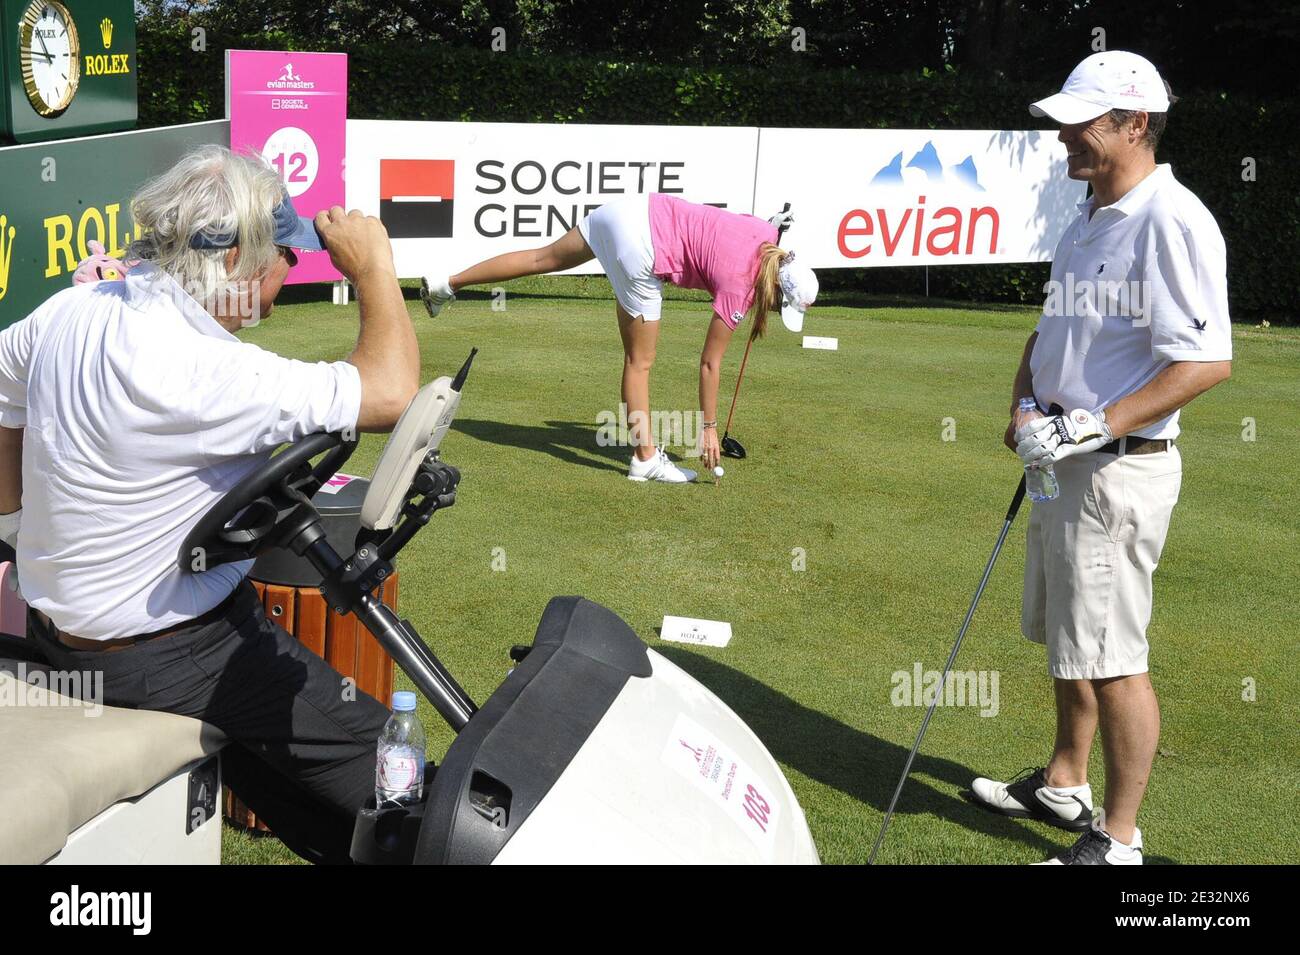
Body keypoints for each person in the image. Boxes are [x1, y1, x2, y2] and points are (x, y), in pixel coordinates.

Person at [0, 146, 420, 864]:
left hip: (64, 636)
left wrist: (13, 525)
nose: (289, 274)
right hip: (176, 651)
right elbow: (390, 390)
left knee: (293, 785)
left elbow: (5, 407)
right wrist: (375, 267)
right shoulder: (209, 370)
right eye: (285, 257)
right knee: (401, 776)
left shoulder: (69, 310)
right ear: (240, 261)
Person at [969, 51, 1233, 865]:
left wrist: (1089, 425)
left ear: (1135, 125)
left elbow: (1205, 360)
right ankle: (1064, 780)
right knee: (1068, 640)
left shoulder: (1172, 220)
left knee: (1114, 658)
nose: (1061, 139)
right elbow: (1048, 332)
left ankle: (1119, 837)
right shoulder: (1088, 213)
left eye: (1080, 124)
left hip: (1116, 470)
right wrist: (1024, 406)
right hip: (1061, 463)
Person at [420, 194, 817, 482]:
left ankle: (446, 284)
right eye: (780, 302)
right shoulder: (741, 286)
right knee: (639, 362)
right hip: (643, 248)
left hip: (629, 210)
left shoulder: (768, 235)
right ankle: (645, 459)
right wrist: (708, 426)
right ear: (777, 289)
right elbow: (710, 363)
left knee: (543, 257)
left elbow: (742, 233)